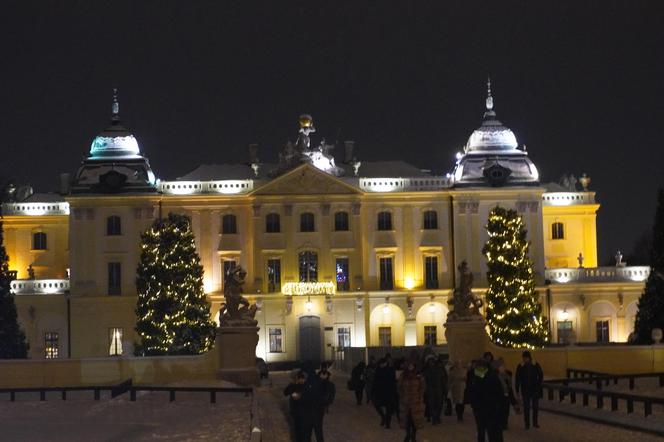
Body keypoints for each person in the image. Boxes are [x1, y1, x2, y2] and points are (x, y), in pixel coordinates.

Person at [467, 359, 504, 442]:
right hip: (479, 409)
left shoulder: (492, 376)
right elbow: (471, 391)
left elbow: (499, 393)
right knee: (481, 431)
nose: (477, 369)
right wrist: (474, 404)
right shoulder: (474, 376)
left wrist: (497, 407)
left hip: (491, 409)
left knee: (492, 431)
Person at [283, 370, 315, 442]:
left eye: (303, 379)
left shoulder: (307, 386)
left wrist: (301, 396)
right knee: (298, 432)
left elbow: (311, 397)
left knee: (305, 433)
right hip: (296, 413)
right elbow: (285, 392)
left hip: (306, 414)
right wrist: (292, 384)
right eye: (300, 379)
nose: (302, 380)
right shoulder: (293, 385)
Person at [398, 358, 426, 442]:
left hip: (415, 402)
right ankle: (407, 435)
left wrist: (419, 396)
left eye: (412, 365)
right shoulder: (403, 375)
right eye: (409, 365)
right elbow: (399, 387)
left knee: (415, 421)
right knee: (407, 420)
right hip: (405, 402)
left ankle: (413, 436)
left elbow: (423, 386)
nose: (410, 367)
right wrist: (402, 395)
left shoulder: (418, 376)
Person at [515, 351, 543, 430]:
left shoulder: (534, 364)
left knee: (535, 407)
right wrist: (517, 390)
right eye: (524, 358)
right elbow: (518, 379)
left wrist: (538, 384)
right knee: (527, 407)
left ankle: (534, 422)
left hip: (533, 389)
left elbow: (541, 374)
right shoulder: (521, 366)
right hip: (526, 389)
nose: (524, 359)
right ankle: (528, 424)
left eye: (525, 358)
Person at [312, 367, 336, 442]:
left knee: (316, 427)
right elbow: (331, 395)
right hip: (320, 407)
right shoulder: (328, 384)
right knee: (318, 427)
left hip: (317, 406)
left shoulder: (318, 383)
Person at [372, 357, 398, 428]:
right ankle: (385, 419)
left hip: (386, 392)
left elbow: (393, 381)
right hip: (383, 392)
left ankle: (386, 421)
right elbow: (375, 381)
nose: (382, 365)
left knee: (387, 408)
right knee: (380, 406)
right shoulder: (379, 370)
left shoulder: (388, 370)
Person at [423, 354, 447, 425]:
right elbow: (424, 381)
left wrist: (444, 389)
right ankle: (434, 418)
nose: (431, 363)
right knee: (432, 405)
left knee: (439, 404)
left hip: (439, 389)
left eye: (432, 361)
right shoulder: (426, 370)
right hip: (430, 390)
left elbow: (443, 379)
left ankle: (437, 417)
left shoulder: (439, 369)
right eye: (430, 361)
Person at [494, 358, 518, 430]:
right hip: (499, 398)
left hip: (506, 398)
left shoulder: (507, 377)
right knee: (499, 412)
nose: (504, 368)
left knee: (505, 412)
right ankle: (499, 424)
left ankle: (504, 424)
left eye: (504, 366)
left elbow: (510, 389)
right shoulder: (495, 377)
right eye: (502, 366)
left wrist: (514, 402)